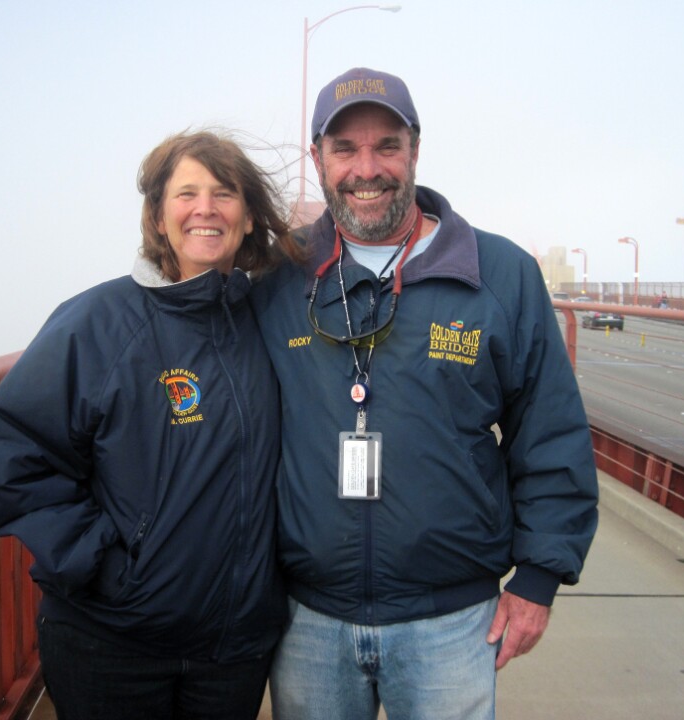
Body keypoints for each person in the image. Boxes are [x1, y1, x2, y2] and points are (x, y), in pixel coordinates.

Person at [251, 68, 600, 719]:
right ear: (318, 159)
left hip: (452, 621)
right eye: (345, 149)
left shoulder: (500, 274)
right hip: (307, 619)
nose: (367, 168)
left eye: (387, 145)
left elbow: (550, 434)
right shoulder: (279, 276)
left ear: (415, 149)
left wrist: (539, 578)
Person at [0, 130, 300, 720]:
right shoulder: (97, 322)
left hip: (232, 649)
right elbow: (18, 455)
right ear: (157, 217)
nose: (206, 208)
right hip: (112, 643)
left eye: (224, 193)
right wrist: (106, 570)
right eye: (187, 194)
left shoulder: (271, 326)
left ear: (249, 218)